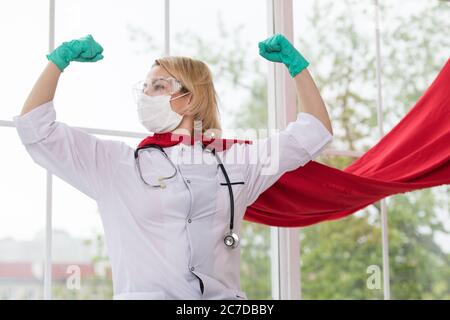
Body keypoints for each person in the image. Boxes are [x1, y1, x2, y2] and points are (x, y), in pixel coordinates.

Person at [14, 33, 333, 300]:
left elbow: (314, 132)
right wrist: (58, 63)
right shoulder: (117, 165)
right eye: (145, 87)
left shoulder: (236, 163)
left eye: (158, 86)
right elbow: (35, 129)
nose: (145, 95)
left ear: (190, 99)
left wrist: (297, 67)